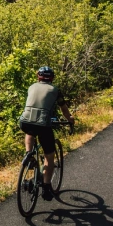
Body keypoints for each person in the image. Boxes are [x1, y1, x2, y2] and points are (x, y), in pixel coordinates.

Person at [19, 66, 74, 200]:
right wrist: (70, 119)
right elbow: (64, 108)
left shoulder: (31, 87)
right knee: (49, 157)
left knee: (30, 132)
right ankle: (46, 187)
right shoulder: (55, 90)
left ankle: (28, 154)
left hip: (24, 121)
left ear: (38, 77)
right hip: (43, 124)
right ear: (52, 78)